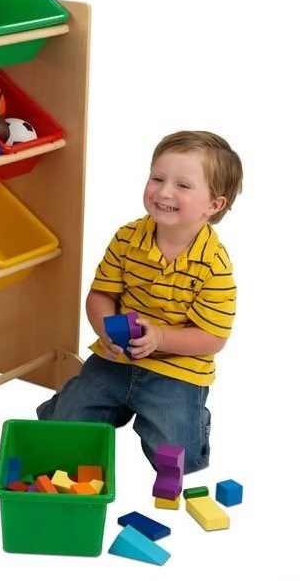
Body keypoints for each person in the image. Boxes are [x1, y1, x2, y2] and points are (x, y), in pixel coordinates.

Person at [37, 131, 243, 473]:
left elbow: (213, 337)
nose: (164, 192)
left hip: (176, 370)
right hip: (116, 357)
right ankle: (93, 406)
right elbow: (101, 295)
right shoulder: (127, 238)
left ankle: (190, 418)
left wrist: (160, 337)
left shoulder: (215, 265)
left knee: (179, 459)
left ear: (214, 205)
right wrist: (105, 328)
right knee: (64, 426)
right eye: (157, 178)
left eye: (182, 185)